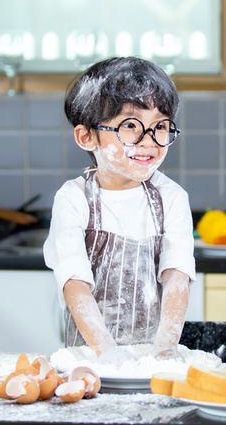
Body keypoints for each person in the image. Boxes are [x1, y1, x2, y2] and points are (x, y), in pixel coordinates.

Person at [43, 56, 196, 362]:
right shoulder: (74, 199)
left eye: (160, 126)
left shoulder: (172, 198)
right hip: (91, 357)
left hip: (152, 358)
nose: (149, 141)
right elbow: (74, 283)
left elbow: (177, 276)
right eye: (130, 125)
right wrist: (107, 353)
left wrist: (165, 349)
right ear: (87, 137)